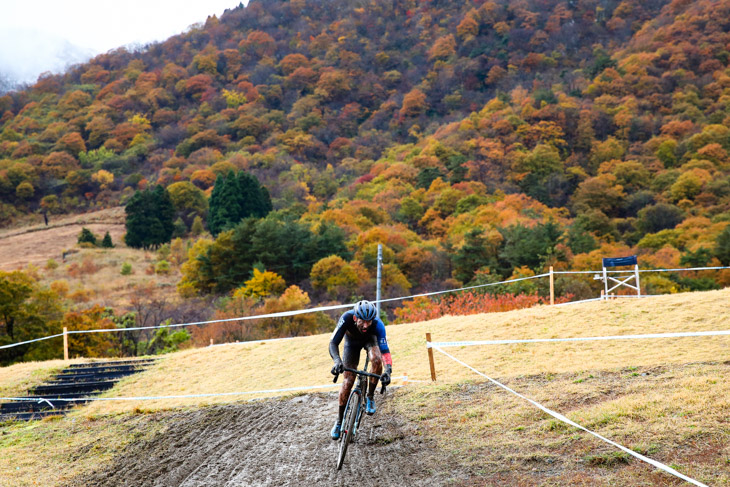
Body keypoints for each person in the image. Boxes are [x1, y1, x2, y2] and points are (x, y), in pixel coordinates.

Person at [329, 300, 392, 440]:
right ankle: (339, 421)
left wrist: (388, 370)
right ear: (355, 318)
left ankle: (370, 396)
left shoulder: (377, 325)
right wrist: (337, 361)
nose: (366, 325)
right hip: (351, 344)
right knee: (348, 381)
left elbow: (385, 351)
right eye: (362, 321)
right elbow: (333, 342)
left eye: (369, 322)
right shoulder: (346, 318)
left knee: (376, 359)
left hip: (371, 341)